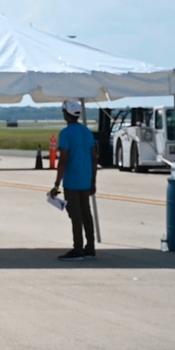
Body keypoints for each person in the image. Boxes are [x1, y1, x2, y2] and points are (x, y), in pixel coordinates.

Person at [50, 100, 97, 261]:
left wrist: (56, 184)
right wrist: (93, 181)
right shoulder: (87, 132)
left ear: (66, 115)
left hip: (72, 182)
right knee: (87, 215)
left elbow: (63, 160)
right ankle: (90, 247)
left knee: (75, 216)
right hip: (86, 180)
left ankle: (78, 249)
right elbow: (93, 158)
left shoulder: (66, 134)